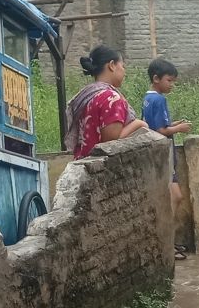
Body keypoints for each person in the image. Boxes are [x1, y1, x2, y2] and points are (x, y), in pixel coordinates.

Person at [142, 58, 192, 259]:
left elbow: (156, 125)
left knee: (175, 196)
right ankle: (165, 240)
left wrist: (173, 124)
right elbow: (161, 130)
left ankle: (166, 240)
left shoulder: (148, 98)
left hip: (156, 154)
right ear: (156, 79)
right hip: (164, 157)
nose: (171, 85)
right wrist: (178, 129)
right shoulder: (159, 99)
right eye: (169, 81)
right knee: (176, 197)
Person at [65, 45, 148, 160]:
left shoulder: (86, 95)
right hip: (101, 168)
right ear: (112, 65)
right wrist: (139, 124)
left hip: (82, 163)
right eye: (122, 66)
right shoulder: (111, 98)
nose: (124, 71)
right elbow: (110, 143)